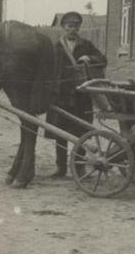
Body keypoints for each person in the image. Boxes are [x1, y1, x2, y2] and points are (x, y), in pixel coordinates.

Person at [45, 11, 107, 178]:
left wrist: (90, 58)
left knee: (80, 132)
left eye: (75, 27)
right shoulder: (55, 46)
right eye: (69, 27)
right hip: (60, 95)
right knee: (60, 132)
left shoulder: (86, 45)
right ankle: (61, 168)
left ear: (79, 28)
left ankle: (79, 168)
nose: (72, 30)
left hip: (81, 95)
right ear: (63, 28)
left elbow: (103, 59)